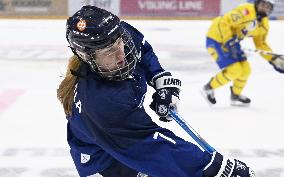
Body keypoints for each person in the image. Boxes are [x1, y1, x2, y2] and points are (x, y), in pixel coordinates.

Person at [57, 5, 256, 177]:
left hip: (127, 142)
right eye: (109, 53)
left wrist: (160, 80)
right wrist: (210, 167)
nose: (121, 55)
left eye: (120, 44)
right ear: (87, 56)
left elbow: (142, 50)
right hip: (106, 164)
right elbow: (152, 147)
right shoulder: (101, 102)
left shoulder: (118, 36)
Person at [201, 0, 284, 106]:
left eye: (268, 7)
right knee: (234, 70)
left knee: (246, 70)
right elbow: (224, 22)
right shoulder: (246, 11)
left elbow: (261, 44)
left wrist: (273, 58)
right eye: (263, 5)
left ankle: (235, 95)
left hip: (232, 42)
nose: (264, 8)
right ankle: (208, 88)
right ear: (257, 4)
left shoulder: (264, 25)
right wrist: (228, 41)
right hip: (217, 39)